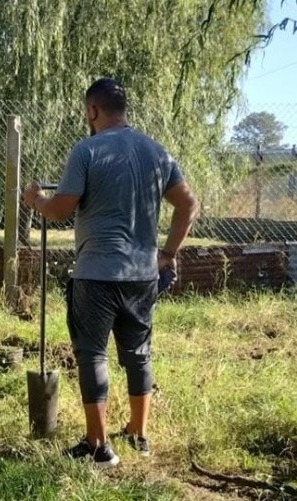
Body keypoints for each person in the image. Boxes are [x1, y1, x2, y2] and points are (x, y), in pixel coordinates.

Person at [23, 78, 198, 467]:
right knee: (138, 353)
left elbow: (60, 210)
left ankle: (98, 446)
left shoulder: (87, 150)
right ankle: (138, 434)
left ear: (92, 111)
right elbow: (188, 205)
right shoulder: (157, 152)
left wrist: (35, 200)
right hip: (142, 275)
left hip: (97, 274)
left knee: (92, 355)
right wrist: (167, 253)